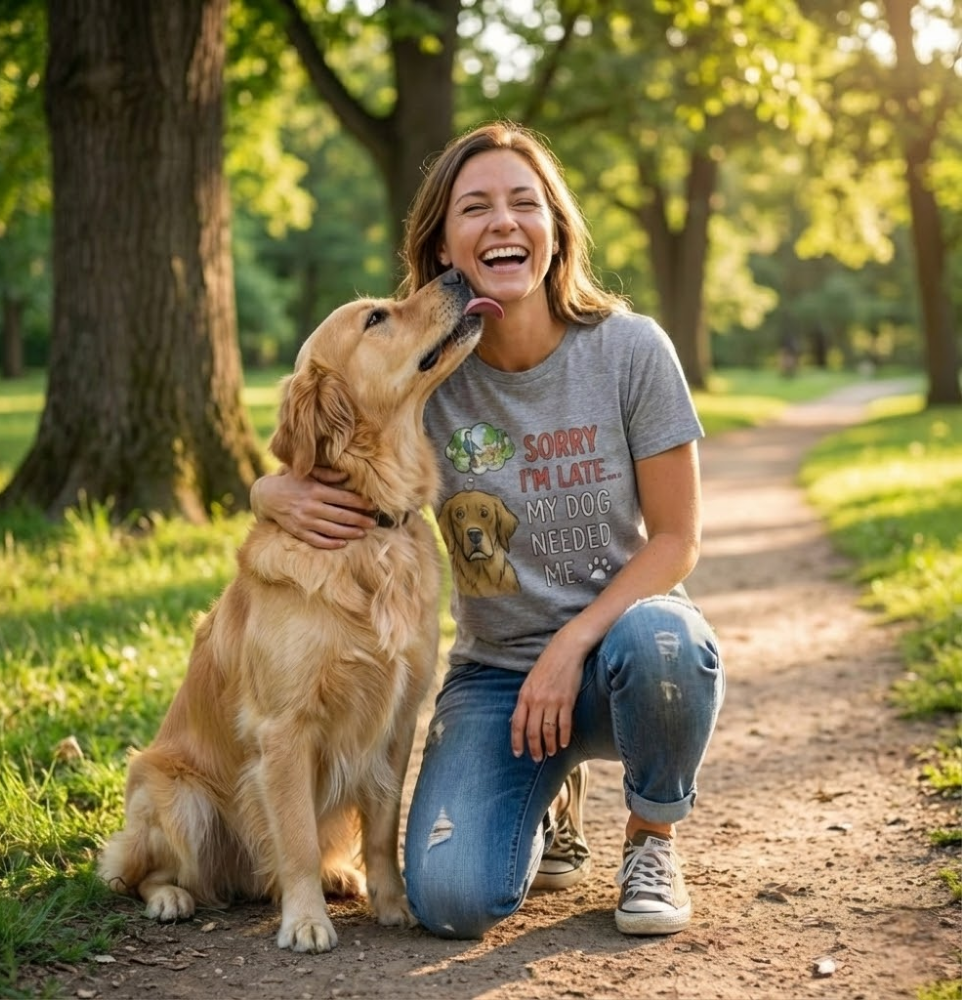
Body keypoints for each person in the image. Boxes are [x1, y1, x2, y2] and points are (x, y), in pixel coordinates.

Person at [251, 121, 724, 940]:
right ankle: (539, 801)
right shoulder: (428, 378)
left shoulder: (632, 351)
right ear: (443, 245)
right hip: (497, 683)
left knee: (666, 644)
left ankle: (652, 838)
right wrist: (268, 490)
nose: (503, 221)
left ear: (555, 228)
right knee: (453, 900)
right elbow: (339, 437)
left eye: (524, 203)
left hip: (618, 656)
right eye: (475, 207)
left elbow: (677, 541)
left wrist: (571, 643)